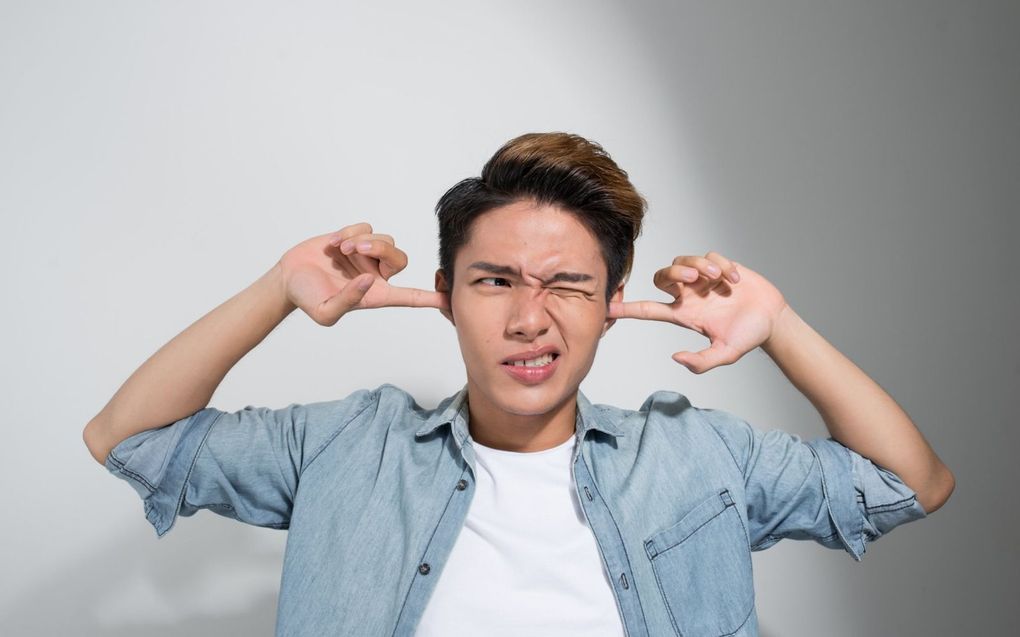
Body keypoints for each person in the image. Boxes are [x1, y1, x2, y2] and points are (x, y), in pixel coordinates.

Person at [83, 132, 954, 637]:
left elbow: (908, 483)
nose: (530, 318)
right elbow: (129, 438)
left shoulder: (695, 454)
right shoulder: (347, 448)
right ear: (445, 296)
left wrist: (780, 325)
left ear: (615, 302)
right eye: (495, 280)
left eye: (567, 284)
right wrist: (277, 286)